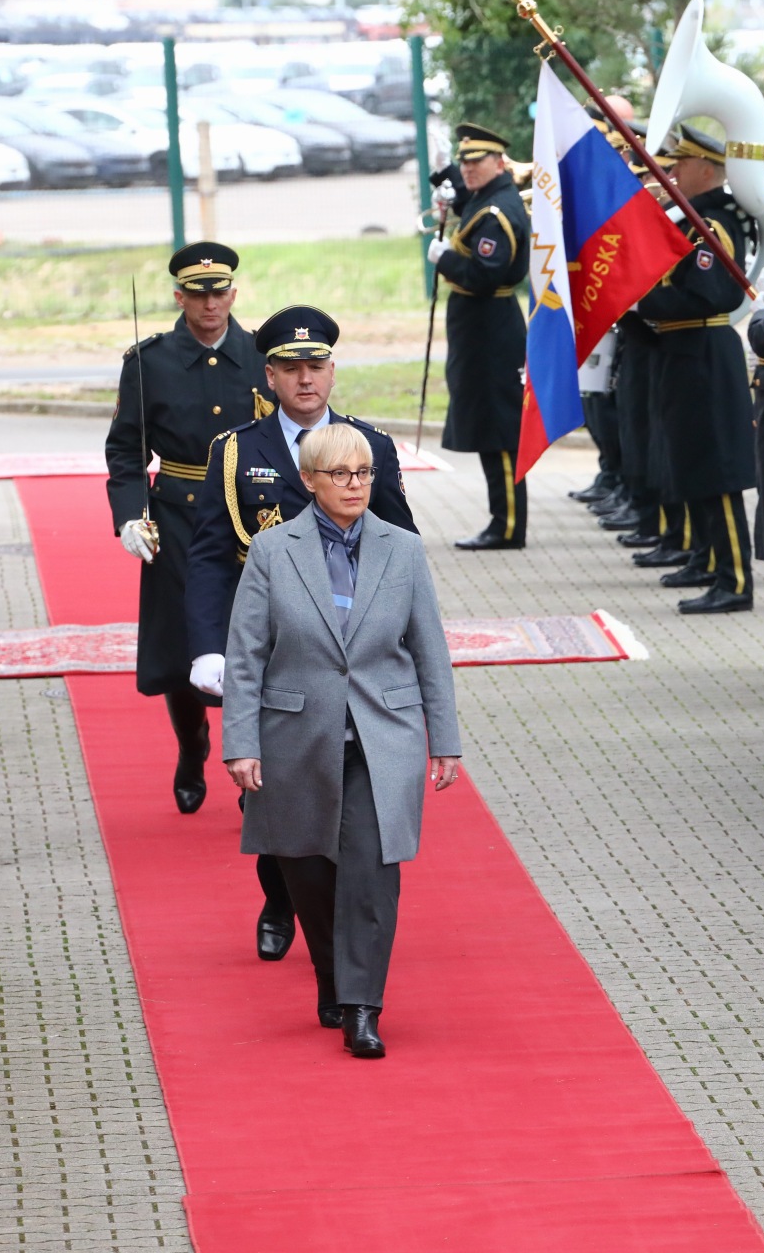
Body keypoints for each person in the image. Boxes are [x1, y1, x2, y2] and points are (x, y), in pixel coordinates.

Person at [221, 420, 461, 1058]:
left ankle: (362, 1006)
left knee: (371, 869)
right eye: (340, 474)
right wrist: (239, 742)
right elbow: (245, 656)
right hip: (296, 730)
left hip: (386, 732)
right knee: (304, 864)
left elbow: (429, 650)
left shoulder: (402, 549)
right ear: (309, 481)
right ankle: (332, 974)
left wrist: (446, 739)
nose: (355, 485)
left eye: (363, 474)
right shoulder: (274, 552)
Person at [187, 304, 417, 963]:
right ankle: (282, 893)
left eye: (316, 365)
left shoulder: (369, 446)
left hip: (351, 651)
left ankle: (342, 924)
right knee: (275, 791)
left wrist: (402, 639)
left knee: (353, 793)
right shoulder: (236, 451)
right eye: (292, 368)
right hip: (273, 650)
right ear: (270, 376)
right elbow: (207, 555)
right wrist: (208, 645)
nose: (306, 379)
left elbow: (401, 544)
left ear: (333, 371)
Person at [106, 242, 272, 817]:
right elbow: (127, 450)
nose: (210, 303)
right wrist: (129, 514)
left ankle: (250, 765)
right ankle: (191, 745)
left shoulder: (263, 355)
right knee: (182, 646)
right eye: (197, 294)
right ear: (179, 297)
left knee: (254, 642)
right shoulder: (149, 362)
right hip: (177, 517)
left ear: (233, 293)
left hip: (252, 518)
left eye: (220, 292)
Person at [636, 124, 757, 614]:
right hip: (682, 351)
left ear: (706, 169)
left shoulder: (713, 224)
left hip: (704, 349)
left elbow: (714, 292)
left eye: (681, 165)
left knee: (717, 471)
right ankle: (709, 561)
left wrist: (645, 301)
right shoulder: (690, 219)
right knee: (692, 463)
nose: (673, 173)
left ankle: (736, 580)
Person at [429, 122, 531, 550]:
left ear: (498, 163)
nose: (468, 170)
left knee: (500, 429)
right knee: (489, 426)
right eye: (465, 161)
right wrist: (444, 174)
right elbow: (465, 192)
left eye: (476, 162)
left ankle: (507, 525)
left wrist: (446, 260)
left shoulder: (497, 214)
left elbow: (484, 275)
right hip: (481, 329)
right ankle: (501, 520)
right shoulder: (488, 197)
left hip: (492, 330)